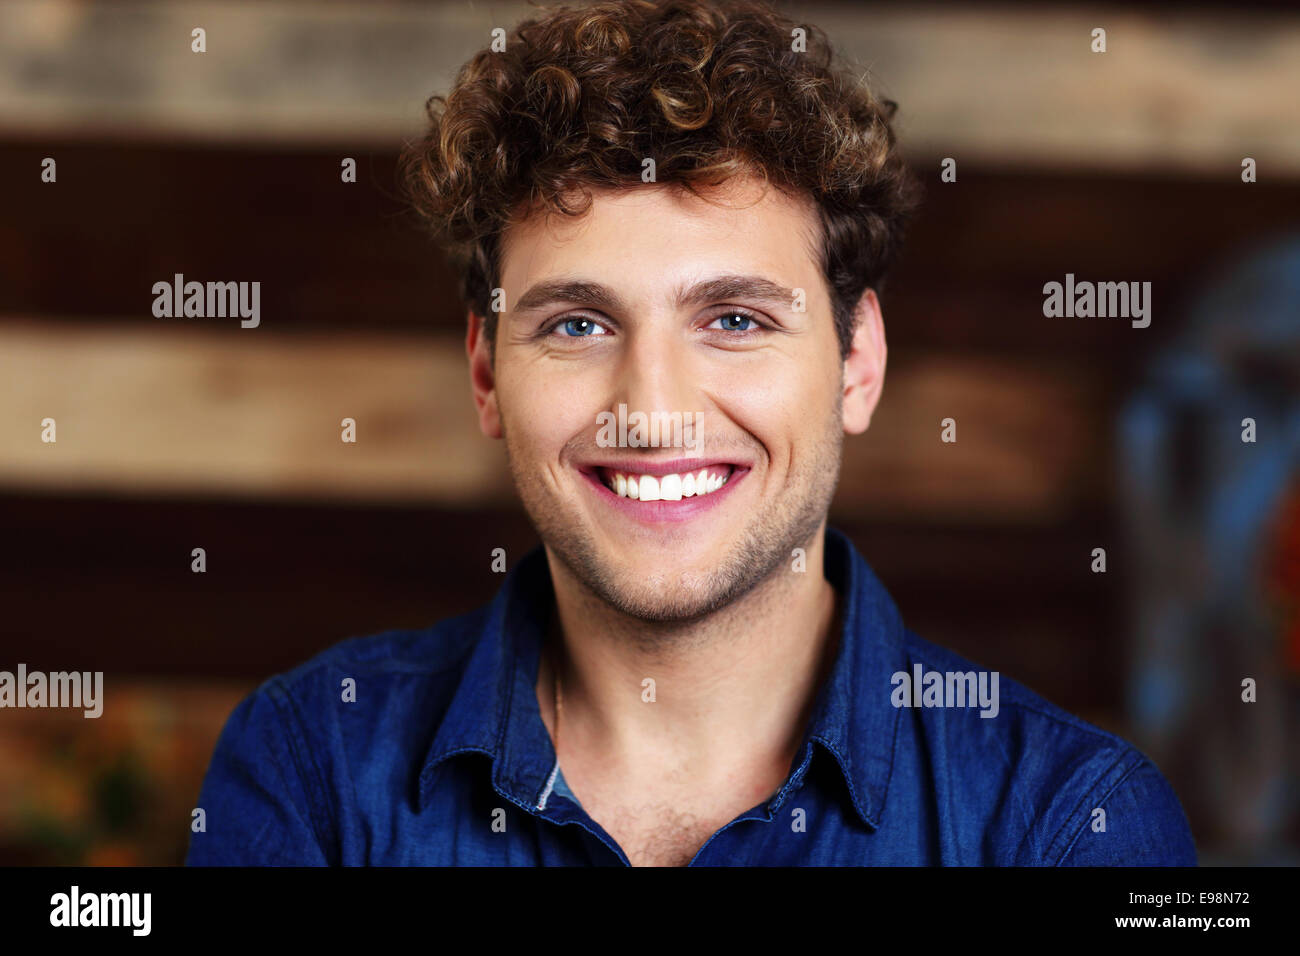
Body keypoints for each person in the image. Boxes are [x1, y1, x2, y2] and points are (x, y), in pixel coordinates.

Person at [187, 0, 1196, 866]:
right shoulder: (310, 768)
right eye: (577, 324)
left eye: (734, 320)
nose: (653, 408)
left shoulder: (1064, 823)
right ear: (488, 370)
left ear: (857, 360)